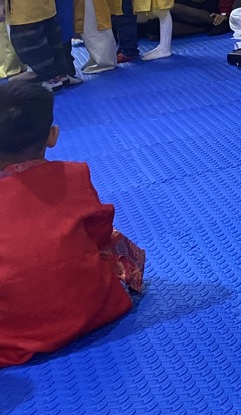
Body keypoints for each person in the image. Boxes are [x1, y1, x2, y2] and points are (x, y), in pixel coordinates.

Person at [0, 77, 142, 366]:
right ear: (52, 136)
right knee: (116, 241)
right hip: (96, 308)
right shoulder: (75, 174)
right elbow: (101, 232)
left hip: (14, 336)